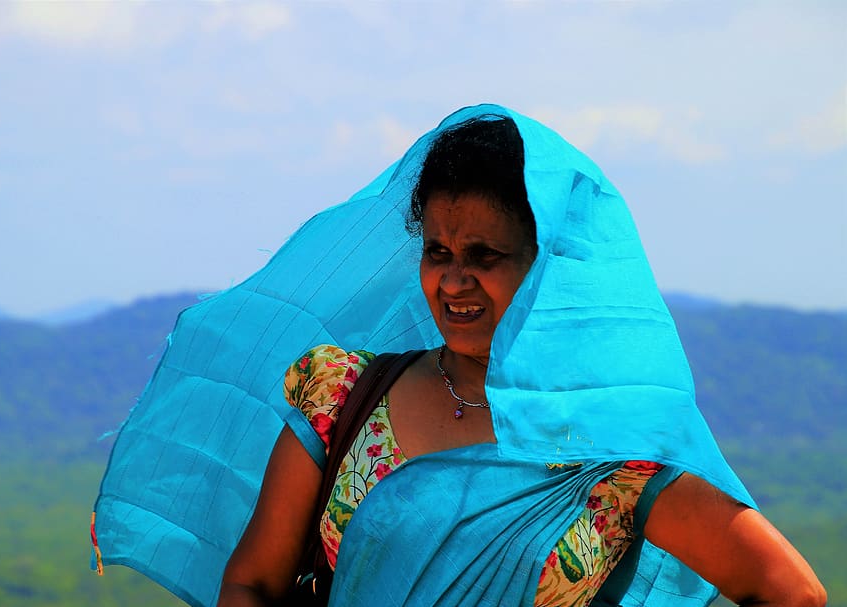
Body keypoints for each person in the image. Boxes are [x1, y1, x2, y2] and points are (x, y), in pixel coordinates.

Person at [214, 112, 825, 606]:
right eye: (438, 252)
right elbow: (252, 583)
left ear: (546, 271)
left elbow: (790, 593)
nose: (453, 282)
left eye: (483, 255)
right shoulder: (346, 395)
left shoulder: (614, 454)